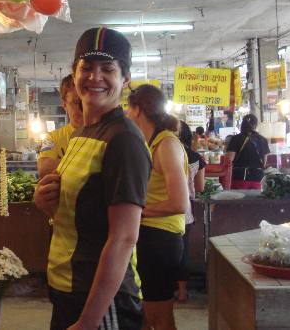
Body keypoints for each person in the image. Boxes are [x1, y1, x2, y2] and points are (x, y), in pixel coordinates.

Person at [35, 27, 151, 330]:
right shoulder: (82, 134)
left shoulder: (124, 140)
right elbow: (77, 215)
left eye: (107, 69)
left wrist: (89, 320)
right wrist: (46, 204)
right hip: (69, 288)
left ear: (125, 80)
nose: (94, 77)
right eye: (86, 67)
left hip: (101, 301)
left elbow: (124, 238)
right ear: (74, 73)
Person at [127, 84, 189, 330]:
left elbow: (179, 203)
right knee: (142, 315)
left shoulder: (166, 144)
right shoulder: (149, 143)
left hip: (161, 239)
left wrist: (136, 212)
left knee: (158, 317)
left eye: (128, 109)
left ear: (139, 110)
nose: (127, 114)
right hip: (147, 236)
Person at [176, 121, 206, 303]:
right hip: (185, 212)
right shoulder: (196, 158)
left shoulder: (159, 151)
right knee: (182, 252)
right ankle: (182, 292)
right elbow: (200, 187)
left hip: (159, 210)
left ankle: (161, 291)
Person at [37, 74, 84, 178]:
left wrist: (60, 163)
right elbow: (44, 168)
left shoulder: (103, 133)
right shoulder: (51, 137)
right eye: (75, 102)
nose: (81, 108)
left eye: (85, 102)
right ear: (64, 104)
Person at [225, 114, 270, 188]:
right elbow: (264, 162)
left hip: (239, 177)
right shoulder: (263, 139)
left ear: (242, 124)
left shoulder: (235, 139)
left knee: (240, 199)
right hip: (258, 178)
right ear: (255, 125)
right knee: (255, 199)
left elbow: (229, 159)